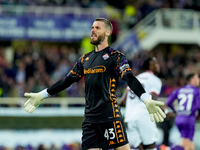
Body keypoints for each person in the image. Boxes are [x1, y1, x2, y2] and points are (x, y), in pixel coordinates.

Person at [23, 18, 166, 150]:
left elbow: (129, 78)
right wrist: (41, 95)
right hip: (90, 120)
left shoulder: (115, 56)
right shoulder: (84, 59)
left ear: (107, 32)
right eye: (92, 27)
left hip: (110, 116)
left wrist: (146, 99)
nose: (93, 30)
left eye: (97, 27)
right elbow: (67, 81)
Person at [121, 57, 163, 150]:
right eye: (155, 63)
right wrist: (165, 111)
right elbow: (153, 100)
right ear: (150, 66)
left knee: (140, 148)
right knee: (151, 146)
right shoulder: (155, 79)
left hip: (130, 117)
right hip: (144, 115)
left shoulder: (135, 79)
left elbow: (123, 101)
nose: (158, 65)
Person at [166, 72, 200, 150]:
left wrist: (176, 111)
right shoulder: (196, 91)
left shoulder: (179, 90)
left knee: (189, 143)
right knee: (186, 145)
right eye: (197, 78)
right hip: (189, 118)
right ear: (192, 80)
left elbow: (168, 102)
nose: (199, 80)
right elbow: (198, 106)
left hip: (179, 118)